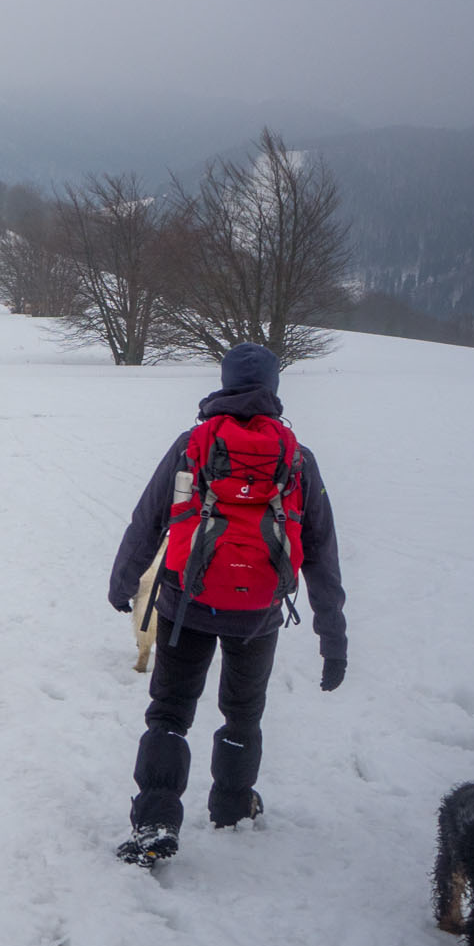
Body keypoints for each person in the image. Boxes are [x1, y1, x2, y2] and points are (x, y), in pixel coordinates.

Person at [107, 342, 347, 866]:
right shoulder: (297, 459)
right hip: (257, 614)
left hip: (184, 606)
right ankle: (232, 807)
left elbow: (148, 517)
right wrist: (333, 637)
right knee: (242, 715)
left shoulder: (192, 444)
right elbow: (322, 552)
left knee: (169, 713)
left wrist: (124, 581)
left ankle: (155, 820)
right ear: (273, 390)